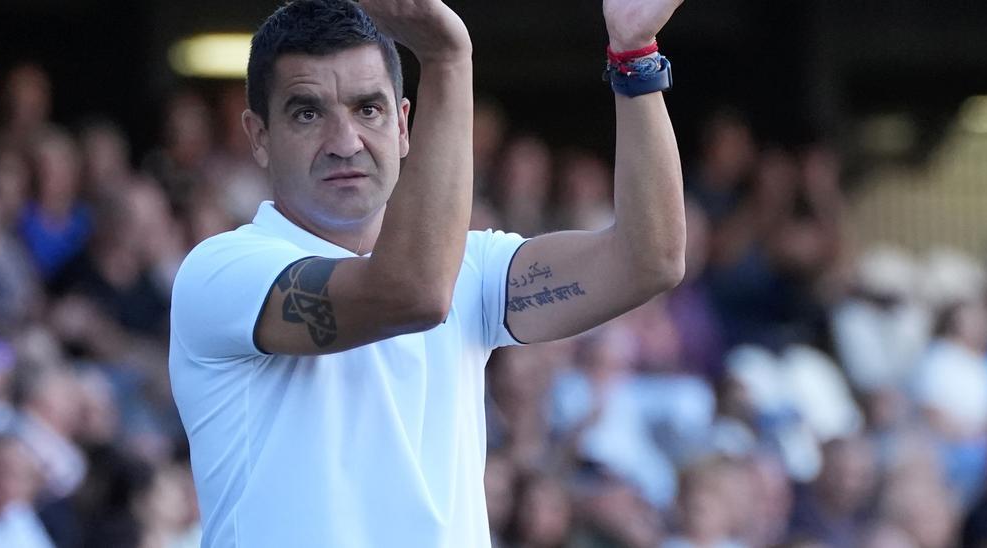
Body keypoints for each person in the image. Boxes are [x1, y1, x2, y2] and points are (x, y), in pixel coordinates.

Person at [167, 0, 685, 546]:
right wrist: (447, 61)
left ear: (405, 124)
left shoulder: (469, 268)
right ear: (258, 136)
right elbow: (411, 294)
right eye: (307, 112)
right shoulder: (219, 272)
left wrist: (634, 55)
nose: (345, 142)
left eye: (369, 109)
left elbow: (648, 259)